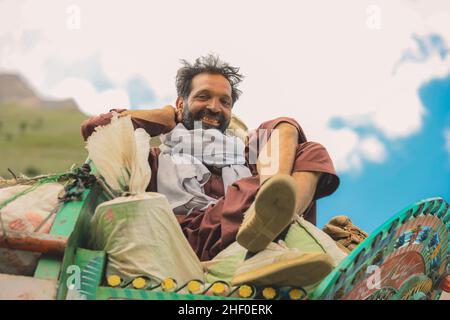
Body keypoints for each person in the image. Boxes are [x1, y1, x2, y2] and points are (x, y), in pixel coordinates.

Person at [81, 54, 342, 287]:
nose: (215, 107)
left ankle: (271, 221)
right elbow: (97, 130)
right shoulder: (153, 160)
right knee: (252, 186)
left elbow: (287, 138)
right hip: (191, 237)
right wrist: (163, 116)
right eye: (203, 96)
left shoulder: (246, 159)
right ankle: (264, 219)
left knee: (300, 140)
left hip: (247, 224)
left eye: (224, 102)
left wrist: (279, 137)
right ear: (180, 104)